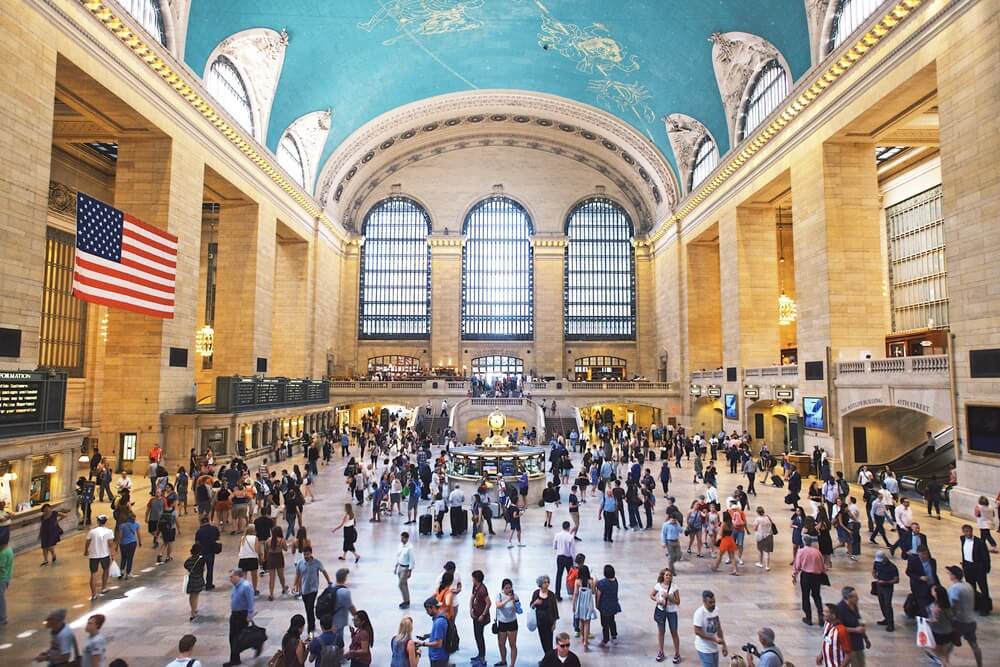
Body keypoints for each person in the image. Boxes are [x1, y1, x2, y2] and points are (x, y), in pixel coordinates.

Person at [945, 565, 983, 667]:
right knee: (974, 646)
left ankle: (944, 663)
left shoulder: (954, 588)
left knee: (949, 645)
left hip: (959, 622)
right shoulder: (968, 586)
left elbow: (953, 606)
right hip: (971, 620)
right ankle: (980, 665)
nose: (949, 575)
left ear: (953, 576)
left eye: (950, 574)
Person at [292, 546, 331, 637]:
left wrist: (328, 581)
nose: (306, 556)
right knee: (308, 609)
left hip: (313, 589)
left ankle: (311, 627)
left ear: (311, 553)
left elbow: (324, 571)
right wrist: (295, 586)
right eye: (304, 554)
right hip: (304, 590)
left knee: (310, 608)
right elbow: (298, 575)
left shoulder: (317, 563)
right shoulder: (300, 563)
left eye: (308, 554)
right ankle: (312, 622)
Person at [224, 568, 256, 667]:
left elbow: (251, 601)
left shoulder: (246, 586)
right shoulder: (235, 586)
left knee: (238, 638)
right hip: (234, 615)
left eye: (232, 577)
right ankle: (235, 658)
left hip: (242, 615)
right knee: (233, 638)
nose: (230, 579)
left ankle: (235, 658)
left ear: (238, 576)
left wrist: (249, 615)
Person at [792, 535, 826, 625]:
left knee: (805, 596)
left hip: (806, 576)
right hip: (816, 576)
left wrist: (794, 575)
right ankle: (821, 617)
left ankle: (808, 617)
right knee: (817, 596)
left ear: (803, 542)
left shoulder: (801, 551)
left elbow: (797, 565)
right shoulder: (817, 552)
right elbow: (822, 565)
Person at [650, 567, 680, 664]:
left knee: (674, 632)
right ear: (663, 576)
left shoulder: (674, 587)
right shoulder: (658, 585)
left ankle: (677, 653)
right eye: (666, 575)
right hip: (661, 610)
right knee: (661, 631)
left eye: (670, 575)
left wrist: (670, 598)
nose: (668, 577)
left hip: (671, 612)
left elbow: (678, 601)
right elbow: (651, 595)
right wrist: (657, 600)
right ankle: (661, 651)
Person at [834, 586, 870, 667]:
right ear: (848, 598)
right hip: (848, 643)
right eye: (855, 596)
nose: (858, 598)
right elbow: (838, 628)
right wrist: (855, 630)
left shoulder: (854, 606)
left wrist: (866, 639)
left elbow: (859, 622)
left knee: (861, 663)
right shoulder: (840, 609)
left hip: (858, 642)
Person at [692, 590, 727, 667]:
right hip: (704, 648)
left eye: (714, 602)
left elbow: (718, 627)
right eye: (710, 602)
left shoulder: (716, 610)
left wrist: (724, 644)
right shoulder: (699, 613)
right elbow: (697, 631)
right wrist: (713, 639)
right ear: (704, 602)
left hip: (714, 647)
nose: (713, 604)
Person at [84, 514, 115, 601]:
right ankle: (104, 587)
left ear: (98, 521)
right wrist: (112, 554)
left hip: (93, 555)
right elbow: (110, 544)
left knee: (93, 574)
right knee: (106, 570)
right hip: (104, 555)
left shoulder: (92, 531)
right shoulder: (109, 531)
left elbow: (87, 542)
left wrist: (86, 551)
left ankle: (93, 594)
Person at [959, 523, 991, 604]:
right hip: (967, 566)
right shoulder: (962, 539)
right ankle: (975, 604)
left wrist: (986, 568)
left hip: (978, 567)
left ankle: (985, 607)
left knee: (983, 587)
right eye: (966, 531)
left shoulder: (979, 542)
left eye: (970, 531)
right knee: (971, 587)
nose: (968, 533)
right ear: (963, 532)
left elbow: (986, 556)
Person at [925, 583, 954, 666]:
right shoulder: (948, 604)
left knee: (936, 651)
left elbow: (935, 620)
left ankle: (944, 663)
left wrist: (926, 621)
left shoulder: (936, 607)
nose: (932, 591)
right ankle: (944, 662)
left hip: (938, 633)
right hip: (948, 631)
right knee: (944, 653)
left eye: (934, 591)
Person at [531, 575, 559, 655]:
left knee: (549, 641)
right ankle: (547, 656)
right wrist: (535, 603)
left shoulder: (551, 595)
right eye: (544, 582)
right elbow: (531, 606)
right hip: (540, 622)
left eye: (547, 582)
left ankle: (549, 657)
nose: (547, 584)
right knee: (543, 640)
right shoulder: (536, 593)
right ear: (540, 584)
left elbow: (555, 609)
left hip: (549, 621)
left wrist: (554, 623)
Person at [494, 578, 520, 667]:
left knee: (512, 644)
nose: (508, 589)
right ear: (503, 588)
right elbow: (498, 605)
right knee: (501, 644)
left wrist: (515, 604)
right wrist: (508, 599)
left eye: (510, 588)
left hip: (512, 622)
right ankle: (503, 660)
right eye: (506, 588)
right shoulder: (499, 595)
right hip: (502, 623)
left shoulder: (515, 596)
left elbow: (519, 611)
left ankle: (512, 664)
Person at [571, 565, 597, 653]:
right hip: (588, 604)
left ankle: (582, 638)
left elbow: (575, 593)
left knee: (581, 622)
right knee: (587, 623)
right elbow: (593, 592)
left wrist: (573, 605)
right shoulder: (591, 581)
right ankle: (586, 641)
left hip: (580, 604)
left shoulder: (577, 581)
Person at [871, 550, 898, 632]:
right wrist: (875, 576)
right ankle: (886, 618)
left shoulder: (892, 567)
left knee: (887, 605)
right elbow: (874, 570)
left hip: (888, 588)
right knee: (882, 603)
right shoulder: (877, 563)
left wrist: (886, 582)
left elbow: (896, 580)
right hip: (880, 586)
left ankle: (890, 624)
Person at [419, 596, 451, 667]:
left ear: (433, 607)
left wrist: (422, 644)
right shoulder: (438, 618)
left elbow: (438, 644)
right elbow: (441, 634)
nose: (427, 612)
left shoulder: (439, 622)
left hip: (438, 658)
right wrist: (428, 636)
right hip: (439, 657)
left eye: (427, 610)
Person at [469, 570, 491, 667]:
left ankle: (482, 656)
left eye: (473, 578)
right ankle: (479, 654)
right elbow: (472, 597)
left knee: (479, 635)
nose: (472, 579)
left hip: (481, 617)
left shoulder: (482, 589)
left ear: (476, 579)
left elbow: (488, 603)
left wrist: (483, 615)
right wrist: (471, 609)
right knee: (476, 635)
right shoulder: (475, 587)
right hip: (475, 614)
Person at [595, 564, 621, 647]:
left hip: (604, 607)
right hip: (613, 605)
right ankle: (614, 635)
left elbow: (598, 595)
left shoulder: (602, 583)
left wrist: (597, 605)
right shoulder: (615, 581)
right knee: (612, 620)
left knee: (605, 624)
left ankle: (605, 639)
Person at [906, 545, 938, 610]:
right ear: (918, 554)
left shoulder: (932, 561)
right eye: (922, 554)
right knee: (924, 607)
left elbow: (934, 574)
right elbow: (908, 572)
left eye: (926, 554)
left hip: (931, 586)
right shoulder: (914, 561)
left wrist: (936, 585)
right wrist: (919, 577)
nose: (925, 556)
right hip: (920, 588)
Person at [194, 515, 220, 590]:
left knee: (200, 569)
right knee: (210, 569)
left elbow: (196, 542)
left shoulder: (199, 531)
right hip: (211, 552)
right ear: (209, 521)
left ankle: (201, 583)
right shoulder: (214, 528)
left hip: (201, 552)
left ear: (201, 522)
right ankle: (209, 585)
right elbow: (217, 538)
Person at [553, 521, 576, 601]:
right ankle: (572, 592)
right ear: (568, 527)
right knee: (571, 576)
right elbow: (572, 550)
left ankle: (557, 594)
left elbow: (554, 546)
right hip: (568, 558)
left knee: (559, 575)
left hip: (559, 557)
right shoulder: (570, 537)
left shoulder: (557, 535)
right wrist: (574, 560)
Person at [183, 543, 207, 620]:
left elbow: (186, 566)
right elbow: (203, 569)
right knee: (196, 596)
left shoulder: (189, 560)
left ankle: (193, 609)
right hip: (198, 579)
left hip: (191, 580)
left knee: (191, 596)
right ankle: (193, 612)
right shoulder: (201, 560)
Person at [265, 525, 289, 600]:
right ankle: (284, 588)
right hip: (278, 557)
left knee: (271, 577)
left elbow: (266, 550)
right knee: (281, 575)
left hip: (271, 558)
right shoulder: (282, 540)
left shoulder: (268, 540)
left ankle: (271, 594)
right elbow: (286, 549)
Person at [237, 526, 261, 595]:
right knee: (254, 576)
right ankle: (254, 590)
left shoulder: (242, 538)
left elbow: (239, 548)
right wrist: (260, 556)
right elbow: (257, 549)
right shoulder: (255, 538)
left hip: (243, 558)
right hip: (252, 558)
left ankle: (244, 590)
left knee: (244, 576)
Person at [396, 531, 414, 609]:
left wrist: (410, 571)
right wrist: (396, 566)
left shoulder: (410, 548)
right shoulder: (400, 545)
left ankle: (406, 601)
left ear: (406, 538)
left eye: (403, 538)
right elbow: (398, 556)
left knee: (401, 584)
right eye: (401, 537)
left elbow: (412, 560)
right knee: (404, 585)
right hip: (400, 566)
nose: (401, 539)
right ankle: (406, 600)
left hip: (405, 568)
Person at [661, 509, 683, 574]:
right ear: (670, 519)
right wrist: (663, 542)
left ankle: (670, 562)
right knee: (672, 556)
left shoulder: (676, 524)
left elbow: (681, 531)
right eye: (672, 520)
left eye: (674, 520)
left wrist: (678, 524)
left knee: (678, 555)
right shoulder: (666, 525)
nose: (673, 521)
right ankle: (672, 570)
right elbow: (663, 534)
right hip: (669, 542)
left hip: (676, 541)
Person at [752, 507, 773, 571]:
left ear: (757, 512)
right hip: (769, 535)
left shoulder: (758, 519)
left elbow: (755, 528)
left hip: (760, 536)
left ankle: (760, 562)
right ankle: (767, 566)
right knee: (767, 552)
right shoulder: (767, 517)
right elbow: (771, 524)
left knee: (760, 550)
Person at [0, 532, 11, 626]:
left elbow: (1, 567)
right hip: (6, 577)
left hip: (1, 578)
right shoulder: (9, 550)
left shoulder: (3, 554)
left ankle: (2, 618)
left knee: (1, 598)